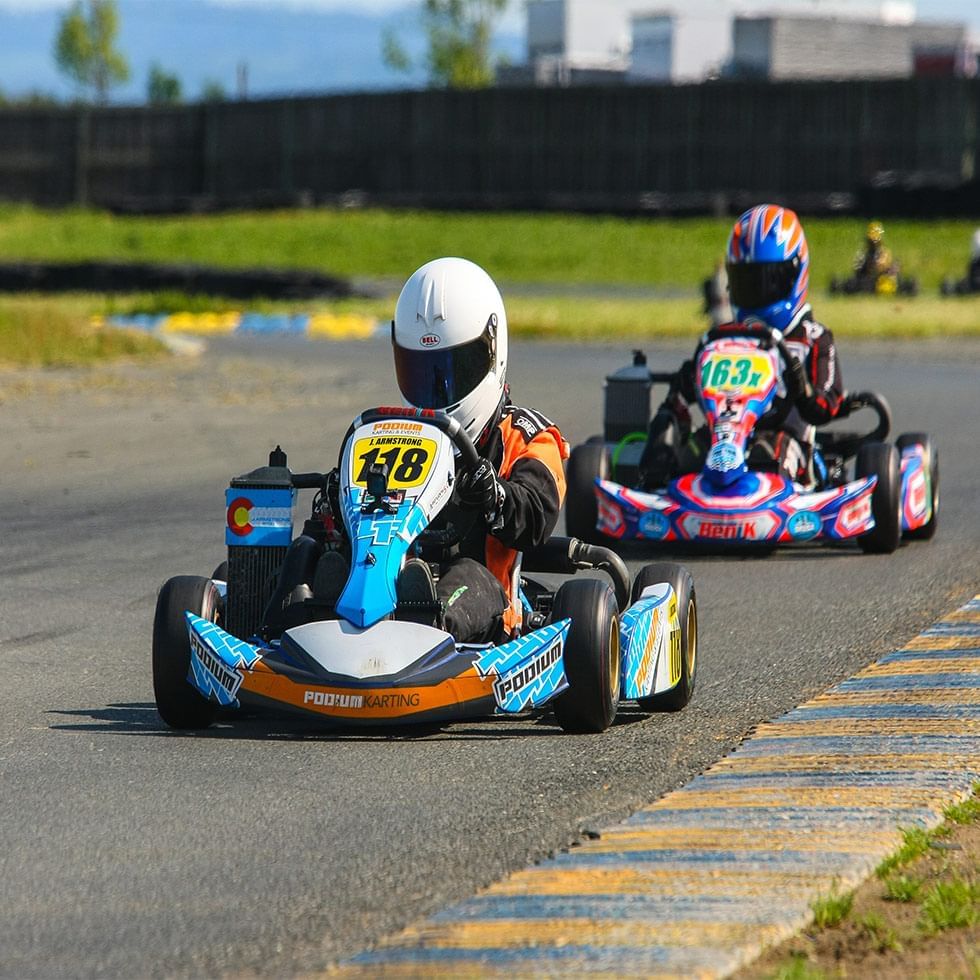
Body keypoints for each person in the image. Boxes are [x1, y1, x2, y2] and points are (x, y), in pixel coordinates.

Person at [390, 256, 569, 643]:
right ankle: (293, 619)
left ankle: (425, 628)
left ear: (493, 351)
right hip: (389, 574)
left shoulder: (527, 434)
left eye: (454, 370)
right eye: (424, 372)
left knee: (465, 578)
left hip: (487, 603)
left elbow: (536, 515)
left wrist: (496, 497)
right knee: (311, 551)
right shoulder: (398, 436)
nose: (439, 392)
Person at [638, 204, 845, 490]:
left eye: (766, 281)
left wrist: (802, 389)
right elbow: (684, 394)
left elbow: (827, 406)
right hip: (721, 441)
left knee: (771, 451)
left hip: (788, 442)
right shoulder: (720, 339)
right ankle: (666, 490)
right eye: (747, 281)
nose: (756, 292)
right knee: (688, 454)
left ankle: (766, 492)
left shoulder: (813, 338)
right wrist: (667, 427)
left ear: (793, 276)